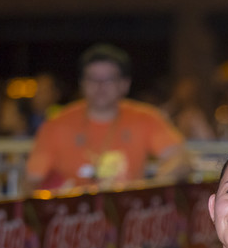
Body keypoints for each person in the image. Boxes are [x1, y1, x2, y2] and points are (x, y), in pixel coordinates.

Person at [25, 44, 188, 191]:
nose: (100, 86)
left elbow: (180, 158)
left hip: (126, 206)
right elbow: (32, 180)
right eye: (92, 79)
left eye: (108, 79)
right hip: (72, 209)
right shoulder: (57, 124)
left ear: (124, 84)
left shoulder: (145, 118)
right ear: (82, 83)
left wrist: (155, 184)